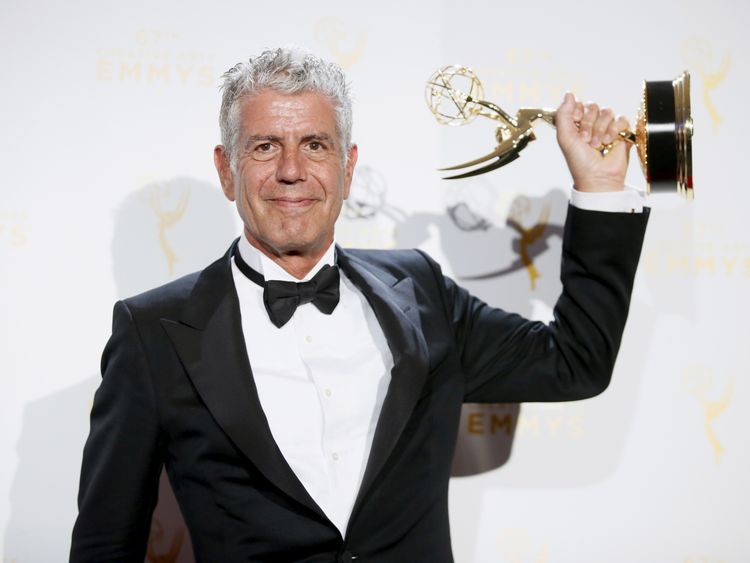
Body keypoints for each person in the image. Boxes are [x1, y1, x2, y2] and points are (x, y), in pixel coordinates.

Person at [70, 47, 649, 562]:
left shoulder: (420, 290)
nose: (292, 171)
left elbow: (577, 362)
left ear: (347, 168)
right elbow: (105, 543)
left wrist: (600, 193)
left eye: (315, 145)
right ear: (227, 170)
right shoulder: (152, 333)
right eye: (265, 146)